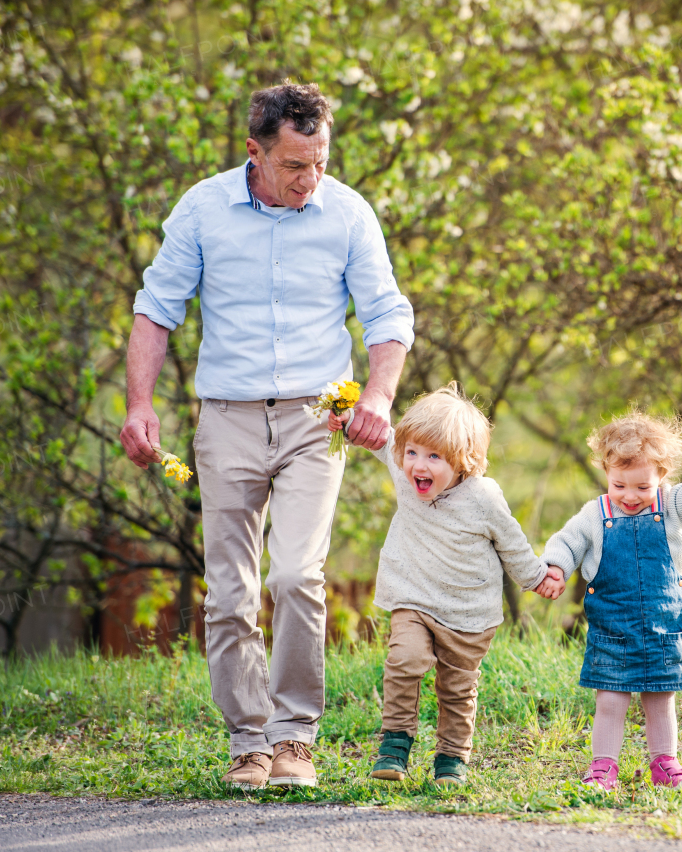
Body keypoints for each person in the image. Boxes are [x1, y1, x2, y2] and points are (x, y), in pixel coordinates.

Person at [119, 82, 414, 791]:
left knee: (296, 575)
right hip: (227, 417)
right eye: (293, 166)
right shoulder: (203, 210)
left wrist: (378, 394)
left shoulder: (347, 212)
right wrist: (139, 404)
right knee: (229, 592)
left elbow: (387, 314)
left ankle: (295, 739)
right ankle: (248, 742)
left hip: (318, 419)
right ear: (253, 152)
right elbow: (156, 310)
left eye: (319, 162)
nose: (310, 180)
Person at [327, 384, 563, 785]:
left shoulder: (483, 497)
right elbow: (379, 436)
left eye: (434, 456)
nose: (418, 464)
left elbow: (512, 543)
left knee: (457, 687)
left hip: (468, 613)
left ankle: (451, 759)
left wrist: (538, 577)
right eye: (413, 452)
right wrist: (348, 419)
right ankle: (395, 745)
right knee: (404, 660)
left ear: (463, 461)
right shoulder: (405, 470)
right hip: (413, 597)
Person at [542, 412, 682, 791]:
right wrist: (556, 568)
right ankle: (603, 768)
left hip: (663, 629)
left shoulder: (673, 505)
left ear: (662, 476)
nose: (630, 496)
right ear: (606, 472)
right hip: (613, 631)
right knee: (610, 702)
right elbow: (567, 541)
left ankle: (665, 764)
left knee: (660, 700)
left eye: (642, 487)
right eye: (619, 485)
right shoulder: (596, 514)